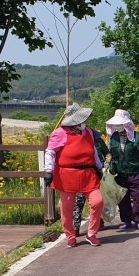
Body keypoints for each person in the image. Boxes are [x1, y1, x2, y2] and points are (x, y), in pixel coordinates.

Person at [43, 102, 104, 247]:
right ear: (75, 121)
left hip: (88, 173)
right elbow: (50, 152)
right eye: (82, 120)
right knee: (67, 207)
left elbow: (93, 151)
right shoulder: (60, 133)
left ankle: (91, 233)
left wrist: (99, 167)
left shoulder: (88, 132)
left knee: (97, 201)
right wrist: (48, 171)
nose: (85, 122)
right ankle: (70, 235)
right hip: (67, 174)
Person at [106, 109, 139, 230]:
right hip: (120, 173)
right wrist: (107, 165)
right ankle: (126, 220)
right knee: (123, 199)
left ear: (126, 124)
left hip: (135, 172)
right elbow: (110, 154)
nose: (118, 127)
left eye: (120, 124)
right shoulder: (113, 137)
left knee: (137, 197)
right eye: (116, 125)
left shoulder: (137, 137)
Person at [72, 123, 109, 236]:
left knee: (96, 201)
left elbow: (107, 154)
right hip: (79, 174)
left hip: (96, 174)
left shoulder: (98, 141)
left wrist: (106, 165)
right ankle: (75, 228)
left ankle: (98, 223)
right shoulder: (76, 140)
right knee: (79, 201)